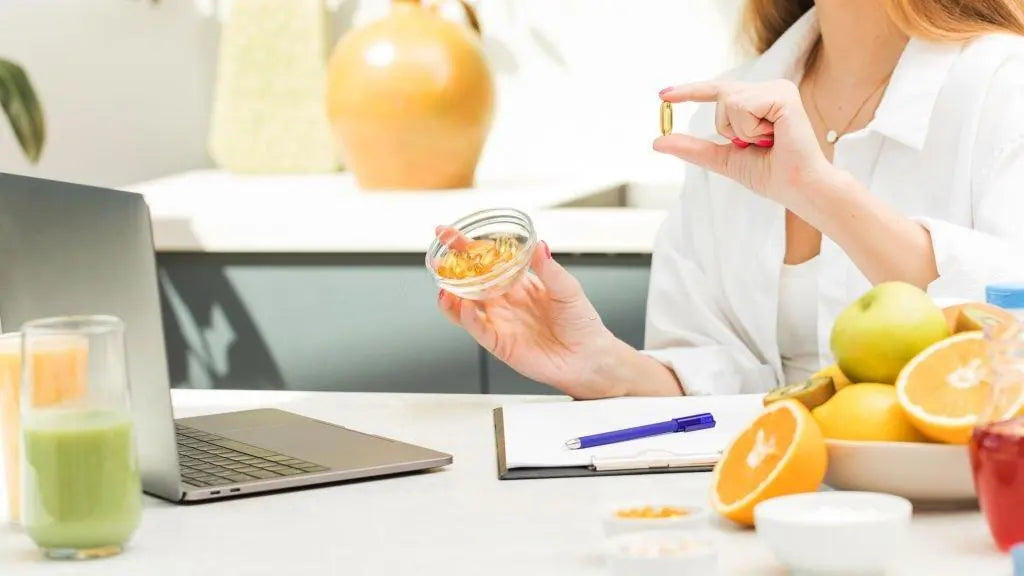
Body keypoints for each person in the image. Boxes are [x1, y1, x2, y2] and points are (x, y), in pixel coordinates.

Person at [437, 0, 1024, 399]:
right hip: (758, 500)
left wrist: (818, 192)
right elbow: (724, 380)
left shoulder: (1004, 86)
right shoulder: (731, 111)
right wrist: (600, 365)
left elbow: (1009, 340)